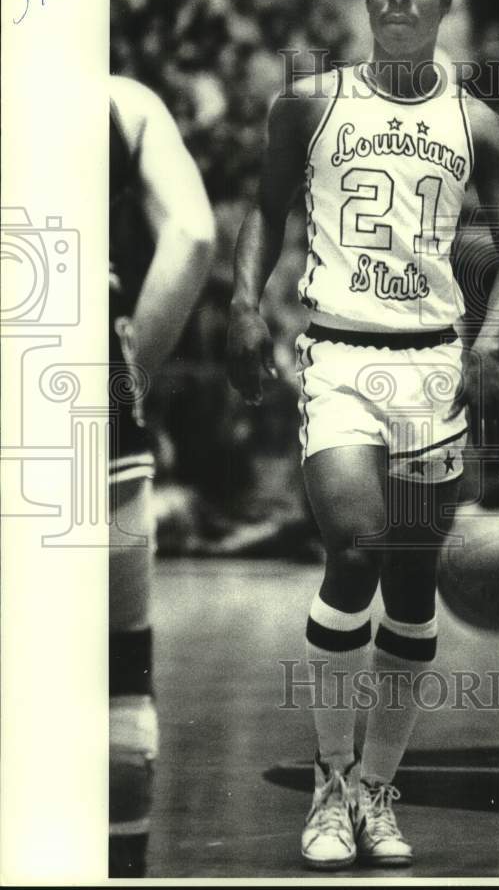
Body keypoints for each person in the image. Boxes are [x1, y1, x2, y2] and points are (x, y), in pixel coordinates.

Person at [227, 0, 499, 870]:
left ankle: (373, 793)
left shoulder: (477, 122)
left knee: (409, 581)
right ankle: (328, 784)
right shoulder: (306, 104)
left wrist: (487, 348)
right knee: (357, 543)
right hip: (338, 359)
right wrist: (244, 299)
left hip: (435, 365)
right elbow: (265, 210)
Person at [109, 74, 215, 876]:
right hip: (80, 378)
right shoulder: (120, 100)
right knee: (117, 685)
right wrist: (127, 374)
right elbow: (194, 233)